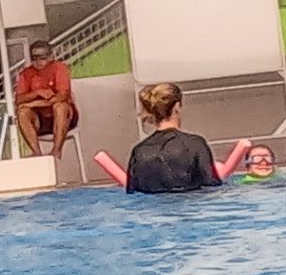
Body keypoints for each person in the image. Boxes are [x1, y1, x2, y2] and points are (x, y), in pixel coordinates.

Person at [97, 81, 251, 193]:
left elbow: (133, 192)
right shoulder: (195, 143)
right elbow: (211, 186)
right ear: (177, 106)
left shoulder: (139, 151)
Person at [14, 38, 78, 159]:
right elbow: (19, 100)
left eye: (42, 57)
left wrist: (32, 104)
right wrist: (37, 93)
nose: (38, 61)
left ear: (50, 56)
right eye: (34, 58)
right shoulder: (26, 73)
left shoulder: (59, 68)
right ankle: (36, 152)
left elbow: (62, 96)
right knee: (22, 112)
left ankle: (56, 149)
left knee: (59, 107)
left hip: (64, 117)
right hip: (39, 119)